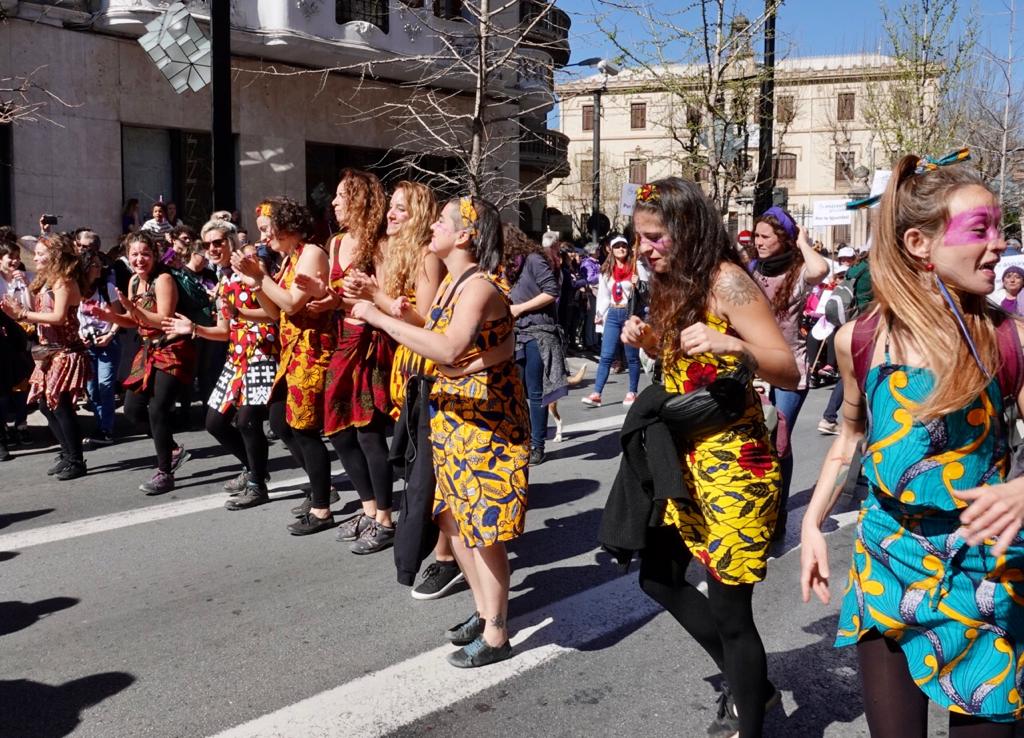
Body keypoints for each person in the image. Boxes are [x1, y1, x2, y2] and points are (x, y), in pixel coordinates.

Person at [801, 151, 1024, 736]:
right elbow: (850, 436)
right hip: (888, 565)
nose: (998, 244)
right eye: (981, 230)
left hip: (985, 572)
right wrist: (811, 524)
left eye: (999, 228)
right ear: (920, 244)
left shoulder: (1009, 339)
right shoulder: (863, 337)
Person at [617, 179, 798, 737]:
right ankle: (752, 685)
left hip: (736, 469)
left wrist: (735, 346)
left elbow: (788, 368)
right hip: (684, 462)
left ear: (688, 229)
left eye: (655, 236)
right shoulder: (671, 284)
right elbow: (681, 366)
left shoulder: (728, 282)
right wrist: (649, 341)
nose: (646, 248)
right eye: (640, 237)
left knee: (730, 612)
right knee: (658, 577)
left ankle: (750, 711)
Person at [352, 195, 529, 668]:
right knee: (455, 519)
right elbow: (431, 324)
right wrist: (378, 297)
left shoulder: (479, 287)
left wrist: (377, 318)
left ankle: (497, 632)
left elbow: (448, 347)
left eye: (441, 221)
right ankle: (484, 609)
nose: (431, 226)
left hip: (487, 424)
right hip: (455, 415)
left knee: (484, 530)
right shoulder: (457, 280)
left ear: (465, 235)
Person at [232, 197, 337, 535]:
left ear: (286, 225)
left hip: (311, 352)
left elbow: (292, 304)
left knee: (304, 430)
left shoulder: (311, 253)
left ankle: (322, 507)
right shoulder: (290, 258)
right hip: (290, 352)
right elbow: (276, 310)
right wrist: (255, 283)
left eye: (267, 230)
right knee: (280, 422)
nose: (264, 238)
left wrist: (260, 278)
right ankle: (320, 487)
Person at [305, 169, 397, 554]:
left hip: (371, 341)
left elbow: (390, 297)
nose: (335, 202)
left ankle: (386, 519)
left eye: (342, 196)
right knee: (338, 430)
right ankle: (368, 506)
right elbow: (341, 298)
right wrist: (326, 299)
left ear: (360, 201)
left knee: (368, 432)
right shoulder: (336, 240)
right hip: (343, 339)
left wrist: (362, 298)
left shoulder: (381, 245)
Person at [164, 219, 278, 510]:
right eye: (207, 244)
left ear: (232, 242)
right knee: (214, 422)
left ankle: (257, 485)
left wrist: (242, 312)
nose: (213, 248)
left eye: (219, 242)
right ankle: (253, 469)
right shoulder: (224, 279)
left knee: (247, 421)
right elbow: (225, 329)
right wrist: (193, 329)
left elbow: (275, 312)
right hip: (236, 356)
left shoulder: (251, 267)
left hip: (262, 352)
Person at [87, 231, 194, 494]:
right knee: (133, 409)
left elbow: (164, 319)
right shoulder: (135, 282)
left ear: (155, 255)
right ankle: (172, 449)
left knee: (157, 409)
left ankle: (164, 473)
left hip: (172, 348)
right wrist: (109, 315)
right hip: (147, 350)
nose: (139, 259)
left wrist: (132, 309)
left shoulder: (164, 279)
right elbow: (134, 321)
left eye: (145, 253)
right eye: (134, 254)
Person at [750, 206, 829, 536]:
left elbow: (821, 268)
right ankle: (760, 506)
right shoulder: (752, 269)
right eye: (756, 235)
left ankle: (778, 511)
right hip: (754, 367)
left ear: (784, 238)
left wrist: (803, 242)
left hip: (790, 370)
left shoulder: (798, 272)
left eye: (765, 236)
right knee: (757, 441)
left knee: (778, 441)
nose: (758, 241)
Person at [1, 234, 92, 480]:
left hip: (65, 351)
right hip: (50, 352)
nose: (35, 257)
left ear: (56, 257)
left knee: (60, 406)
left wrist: (22, 315)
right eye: (37, 253)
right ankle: (66, 453)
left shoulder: (64, 281)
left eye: (41, 253)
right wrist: (18, 312)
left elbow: (59, 317)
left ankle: (76, 460)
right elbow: (36, 311)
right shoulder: (48, 280)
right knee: (45, 404)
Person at [504, 224, 566, 465]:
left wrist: (519, 308)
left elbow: (552, 291)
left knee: (536, 391)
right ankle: (521, 440)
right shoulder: (507, 268)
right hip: (516, 333)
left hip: (539, 332)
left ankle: (537, 446)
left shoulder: (532, 260)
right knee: (516, 391)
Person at [581, 234, 641, 408]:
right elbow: (604, 295)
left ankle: (632, 392)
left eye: (623, 246)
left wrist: (639, 283)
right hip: (613, 314)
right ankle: (596, 393)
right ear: (611, 250)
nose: (621, 249)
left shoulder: (635, 267)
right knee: (606, 356)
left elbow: (646, 291)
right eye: (617, 246)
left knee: (631, 357)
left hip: (630, 314)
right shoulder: (606, 270)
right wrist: (599, 313)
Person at [78, 250, 122, 446]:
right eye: (94, 265)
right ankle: (100, 424)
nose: (98, 268)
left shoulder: (107, 288)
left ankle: (106, 429)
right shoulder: (76, 290)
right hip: (87, 344)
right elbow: (73, 318)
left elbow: (119, 318)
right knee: (92, 389)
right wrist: (80, 335)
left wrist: (110, 335)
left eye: (99, 264)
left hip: (107, 344)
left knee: (105, 386)